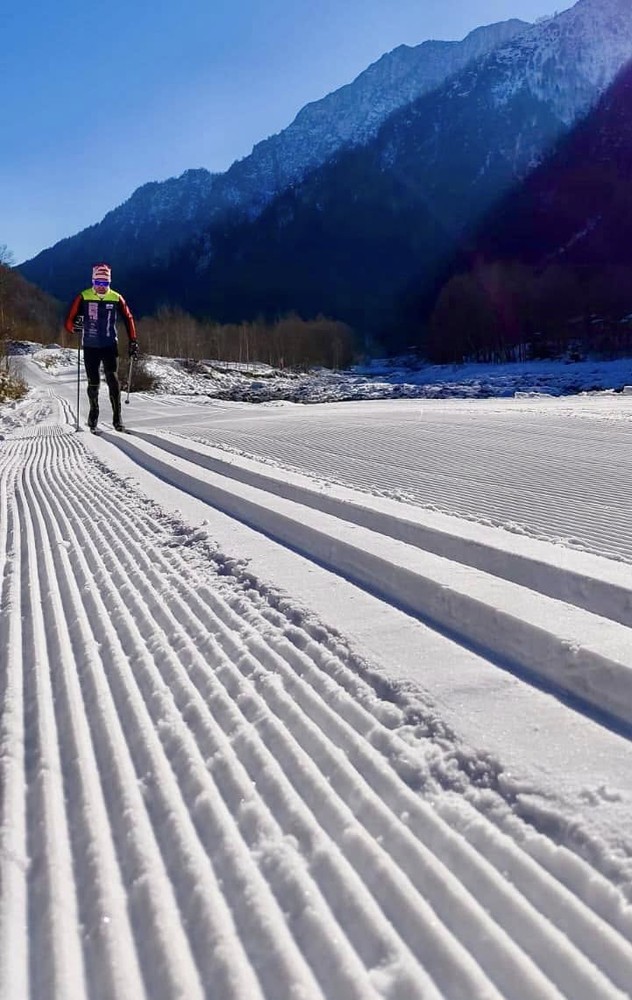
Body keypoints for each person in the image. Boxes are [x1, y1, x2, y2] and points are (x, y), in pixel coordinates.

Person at [64, 263, 138, 431]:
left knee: (113, 379)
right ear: (93, 281)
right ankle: (94, 412)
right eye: (98, 283)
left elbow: (129, 318)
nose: (101, 287)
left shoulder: (117, 297)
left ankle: (117, 418)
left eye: (105, 284)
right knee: (94, 382)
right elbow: (69, 321)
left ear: (109, 283)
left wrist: (133, 341)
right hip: (90, 346)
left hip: (109, 344)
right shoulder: (83, 296)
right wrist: (74, 326)